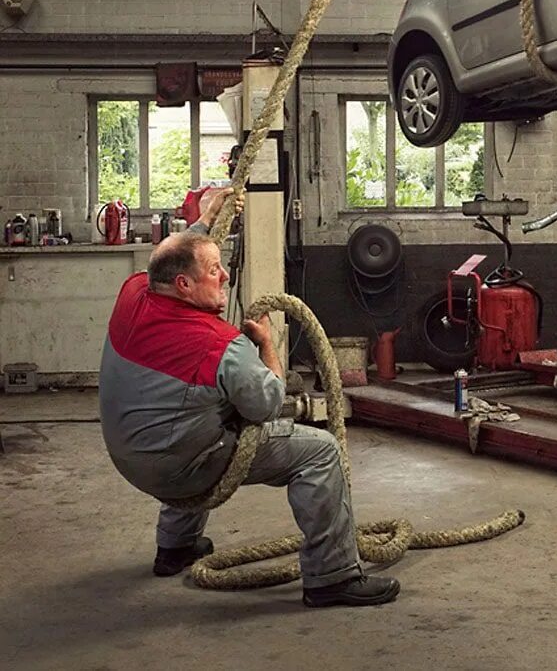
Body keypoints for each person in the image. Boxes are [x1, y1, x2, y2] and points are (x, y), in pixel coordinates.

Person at [99, 187, 398, 607]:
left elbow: (174, 257)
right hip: (179, 470)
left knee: (193, 415)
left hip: (129, 458)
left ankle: (175, 548)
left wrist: (207, 217)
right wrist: (267, 346)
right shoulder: (221, 345)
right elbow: (267, 406)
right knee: (320, 451)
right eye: (214, 270)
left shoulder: (134, 292)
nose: (225, 276)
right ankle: (332, 577)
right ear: (184, 284)